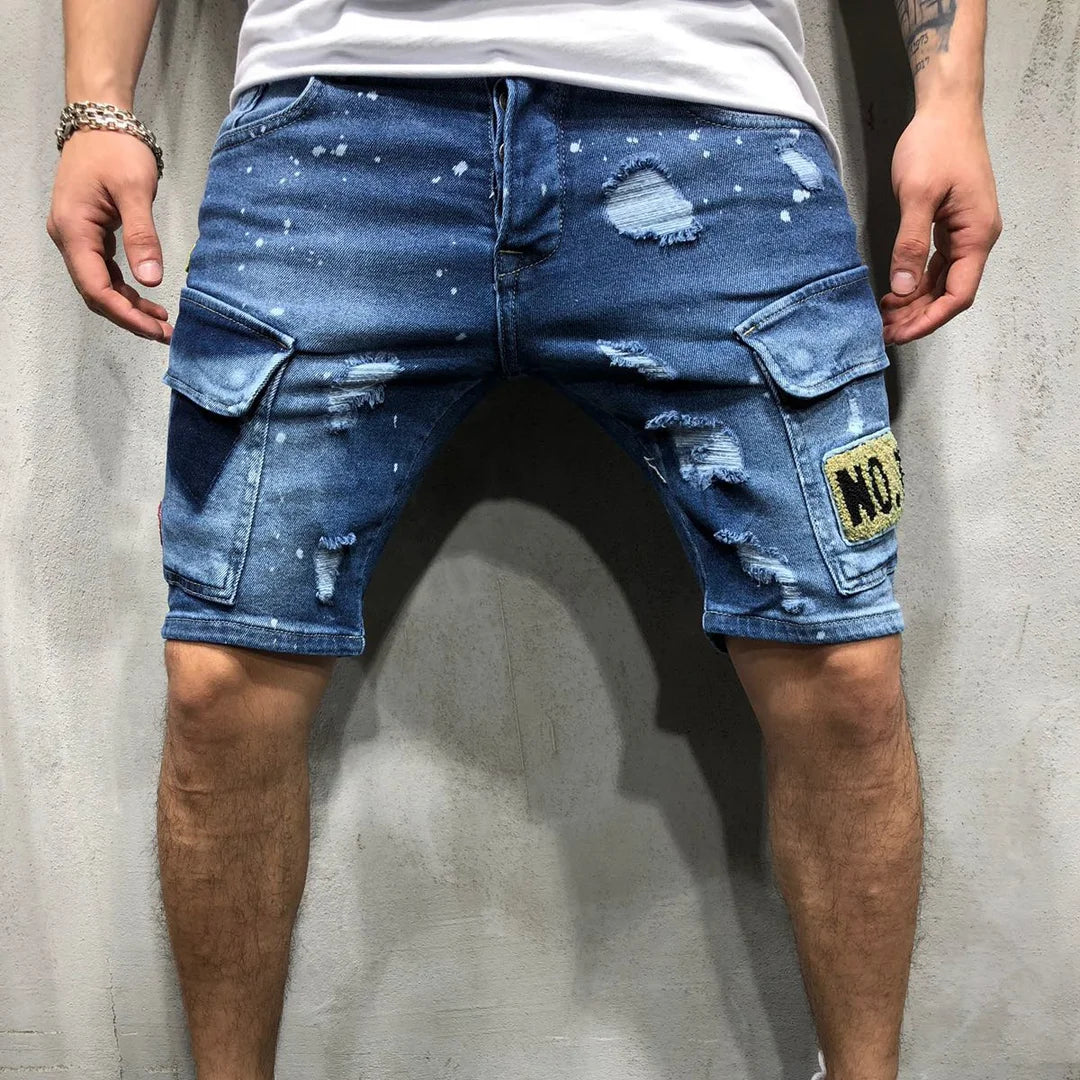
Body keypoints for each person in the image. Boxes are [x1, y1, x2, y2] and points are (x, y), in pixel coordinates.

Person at [46, 0, 1001, 1076]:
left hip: (717, 126)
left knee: (845, 670)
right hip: (330, 132)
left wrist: (950, 94)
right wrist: (97, 102)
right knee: (221, 677)